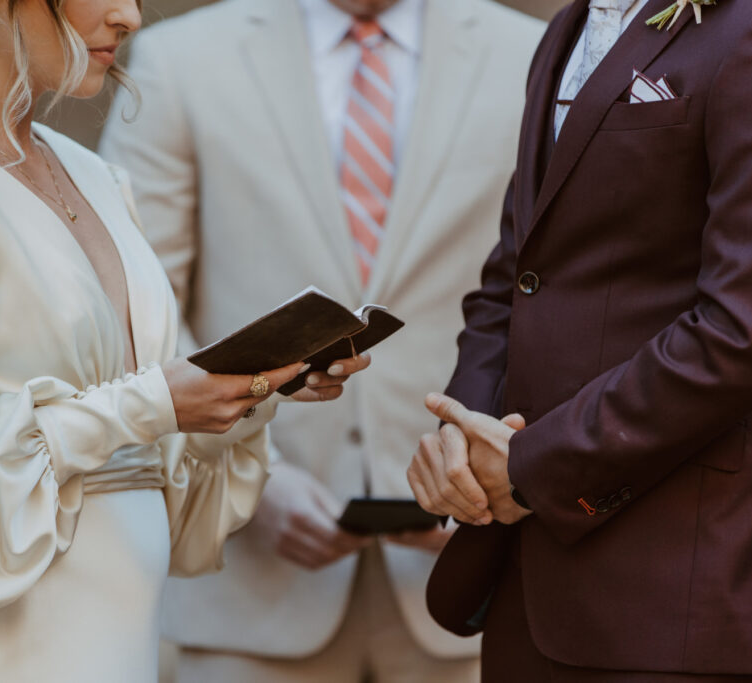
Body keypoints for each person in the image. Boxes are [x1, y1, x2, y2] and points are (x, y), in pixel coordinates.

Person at [0, 0, 371, 680]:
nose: (131, 16)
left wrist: (254, 386)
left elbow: (166, 491)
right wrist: (152, 402)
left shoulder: (92, 176)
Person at [99, 0, 543, 679]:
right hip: (248, 590)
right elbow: (132, 303)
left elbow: (565, 293)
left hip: (473, 594)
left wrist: (495, 470)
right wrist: (253, 476)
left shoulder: (533, 54)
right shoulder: (179, 61)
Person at [408, 0, 752, 680]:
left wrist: (540, 467)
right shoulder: (564, 31)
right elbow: (521, 272)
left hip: (683, 591)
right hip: (528, 587)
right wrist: (461, 437)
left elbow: (747, 331)